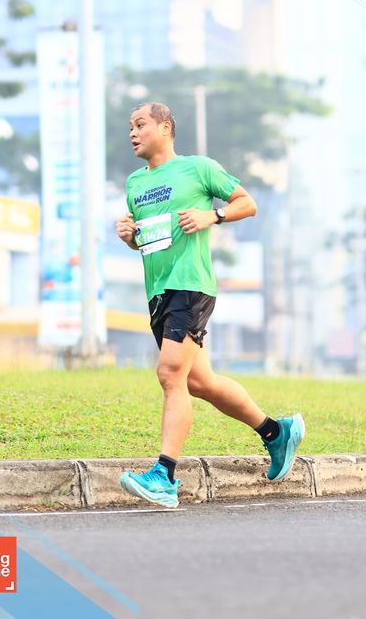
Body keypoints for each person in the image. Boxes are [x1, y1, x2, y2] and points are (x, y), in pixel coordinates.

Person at [115, 101, 305, 508]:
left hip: (191, 285)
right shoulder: (134, 183)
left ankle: (164, 476)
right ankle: (276, 432)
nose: (132, 132)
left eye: (140, 124)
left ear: (165, 128)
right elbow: (146, 240)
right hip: (158, 291)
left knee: (170, 374)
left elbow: (247, 203)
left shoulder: (198, 168)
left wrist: (212, 217)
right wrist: (129, 236)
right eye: (129, 126)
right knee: (199, 382)